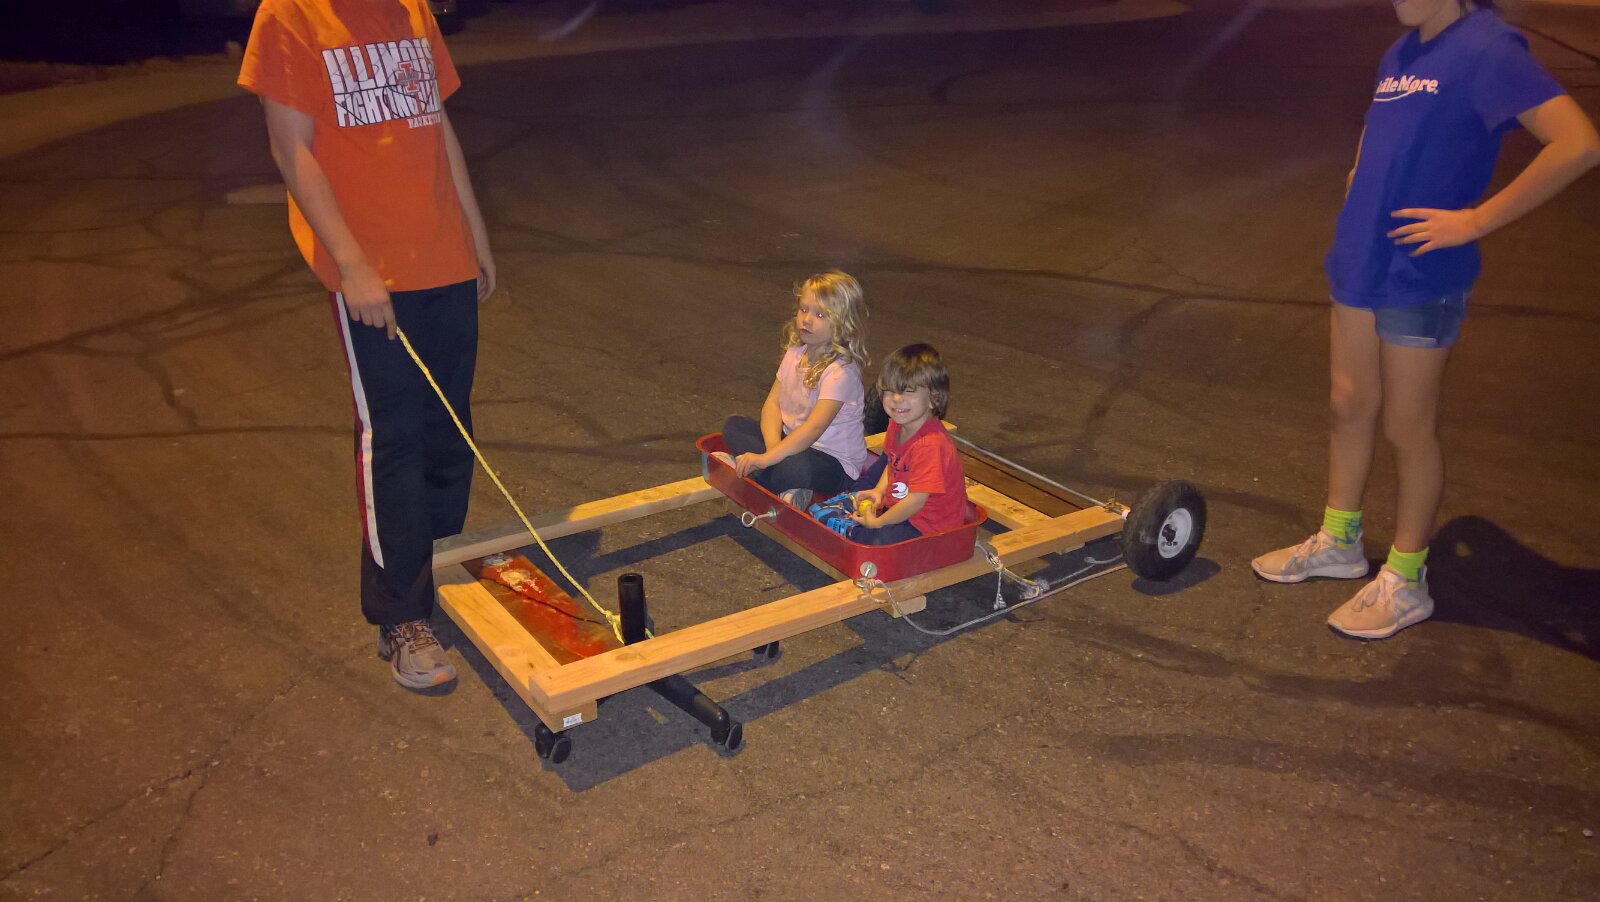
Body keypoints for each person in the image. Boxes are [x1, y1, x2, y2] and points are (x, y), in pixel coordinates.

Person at [1252, 0, 1600, 639]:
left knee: (1407, 427)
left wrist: (1475, 221)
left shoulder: (1489, 47)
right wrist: (1358, 186)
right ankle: (1340, 541)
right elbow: (1377, 139)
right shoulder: (1403, 50)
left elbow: (1578, 143)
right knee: (1348, 405)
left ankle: (1407, 578)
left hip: (1420, 273)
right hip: (1362, 259)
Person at [239, 0, 498, 687]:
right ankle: (401, 615)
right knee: (394, 437)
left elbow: (437, 125)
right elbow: (290, 148)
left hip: (443, 254)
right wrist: (352, 265)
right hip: (371, 274)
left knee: (449, 428)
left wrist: (474, 232)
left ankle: (431, 558)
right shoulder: (291, 16)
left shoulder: (410, 9)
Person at [719, 271, 872, 500]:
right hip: (791, 443)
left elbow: (813, 429)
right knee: (734, 426)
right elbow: (772, 404)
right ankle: (778, 482)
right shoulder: (795, 353)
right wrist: (772, 449)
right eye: (804, 309)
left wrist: (767, 459)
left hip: (831, 462)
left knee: (797, 468)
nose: (807, 320)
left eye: (820, 314)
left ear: (843, 324)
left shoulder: (840, 372)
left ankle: (749, 473)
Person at [844, 343, 970, 546]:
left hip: (930, 528)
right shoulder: (897, 424)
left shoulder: (930, 445)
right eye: (889, 391)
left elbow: (915, 502)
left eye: (907, 392)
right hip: (906, 511)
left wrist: (879, 523)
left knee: (871, 538)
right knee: (859, 524)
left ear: (933, 399)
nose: (895, 399)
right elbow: (892, 464)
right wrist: (878, 491)